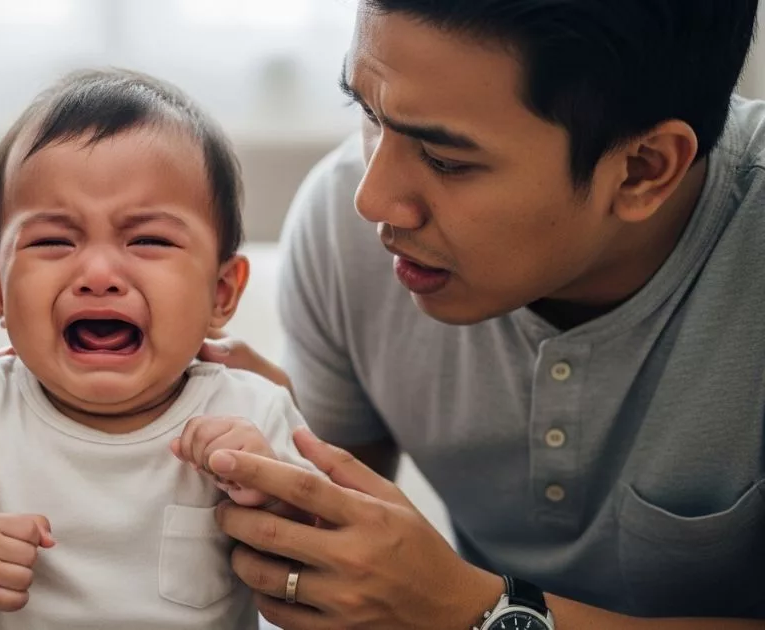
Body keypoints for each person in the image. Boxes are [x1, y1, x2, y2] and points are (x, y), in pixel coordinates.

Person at [181, 1, 765, 629]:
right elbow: (330, 560)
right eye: (369, 114)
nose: (371, 199)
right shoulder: (337, 229)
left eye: (446, 160)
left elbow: (435, 606)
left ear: (642, 170)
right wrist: (274, 457)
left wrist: (467, 610)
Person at [0, 69, 319, 630]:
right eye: (53, 240)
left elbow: (320, 561)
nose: (98, 274)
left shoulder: (252, 413)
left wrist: (269, 496)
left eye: (148, 239)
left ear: (221, 293)